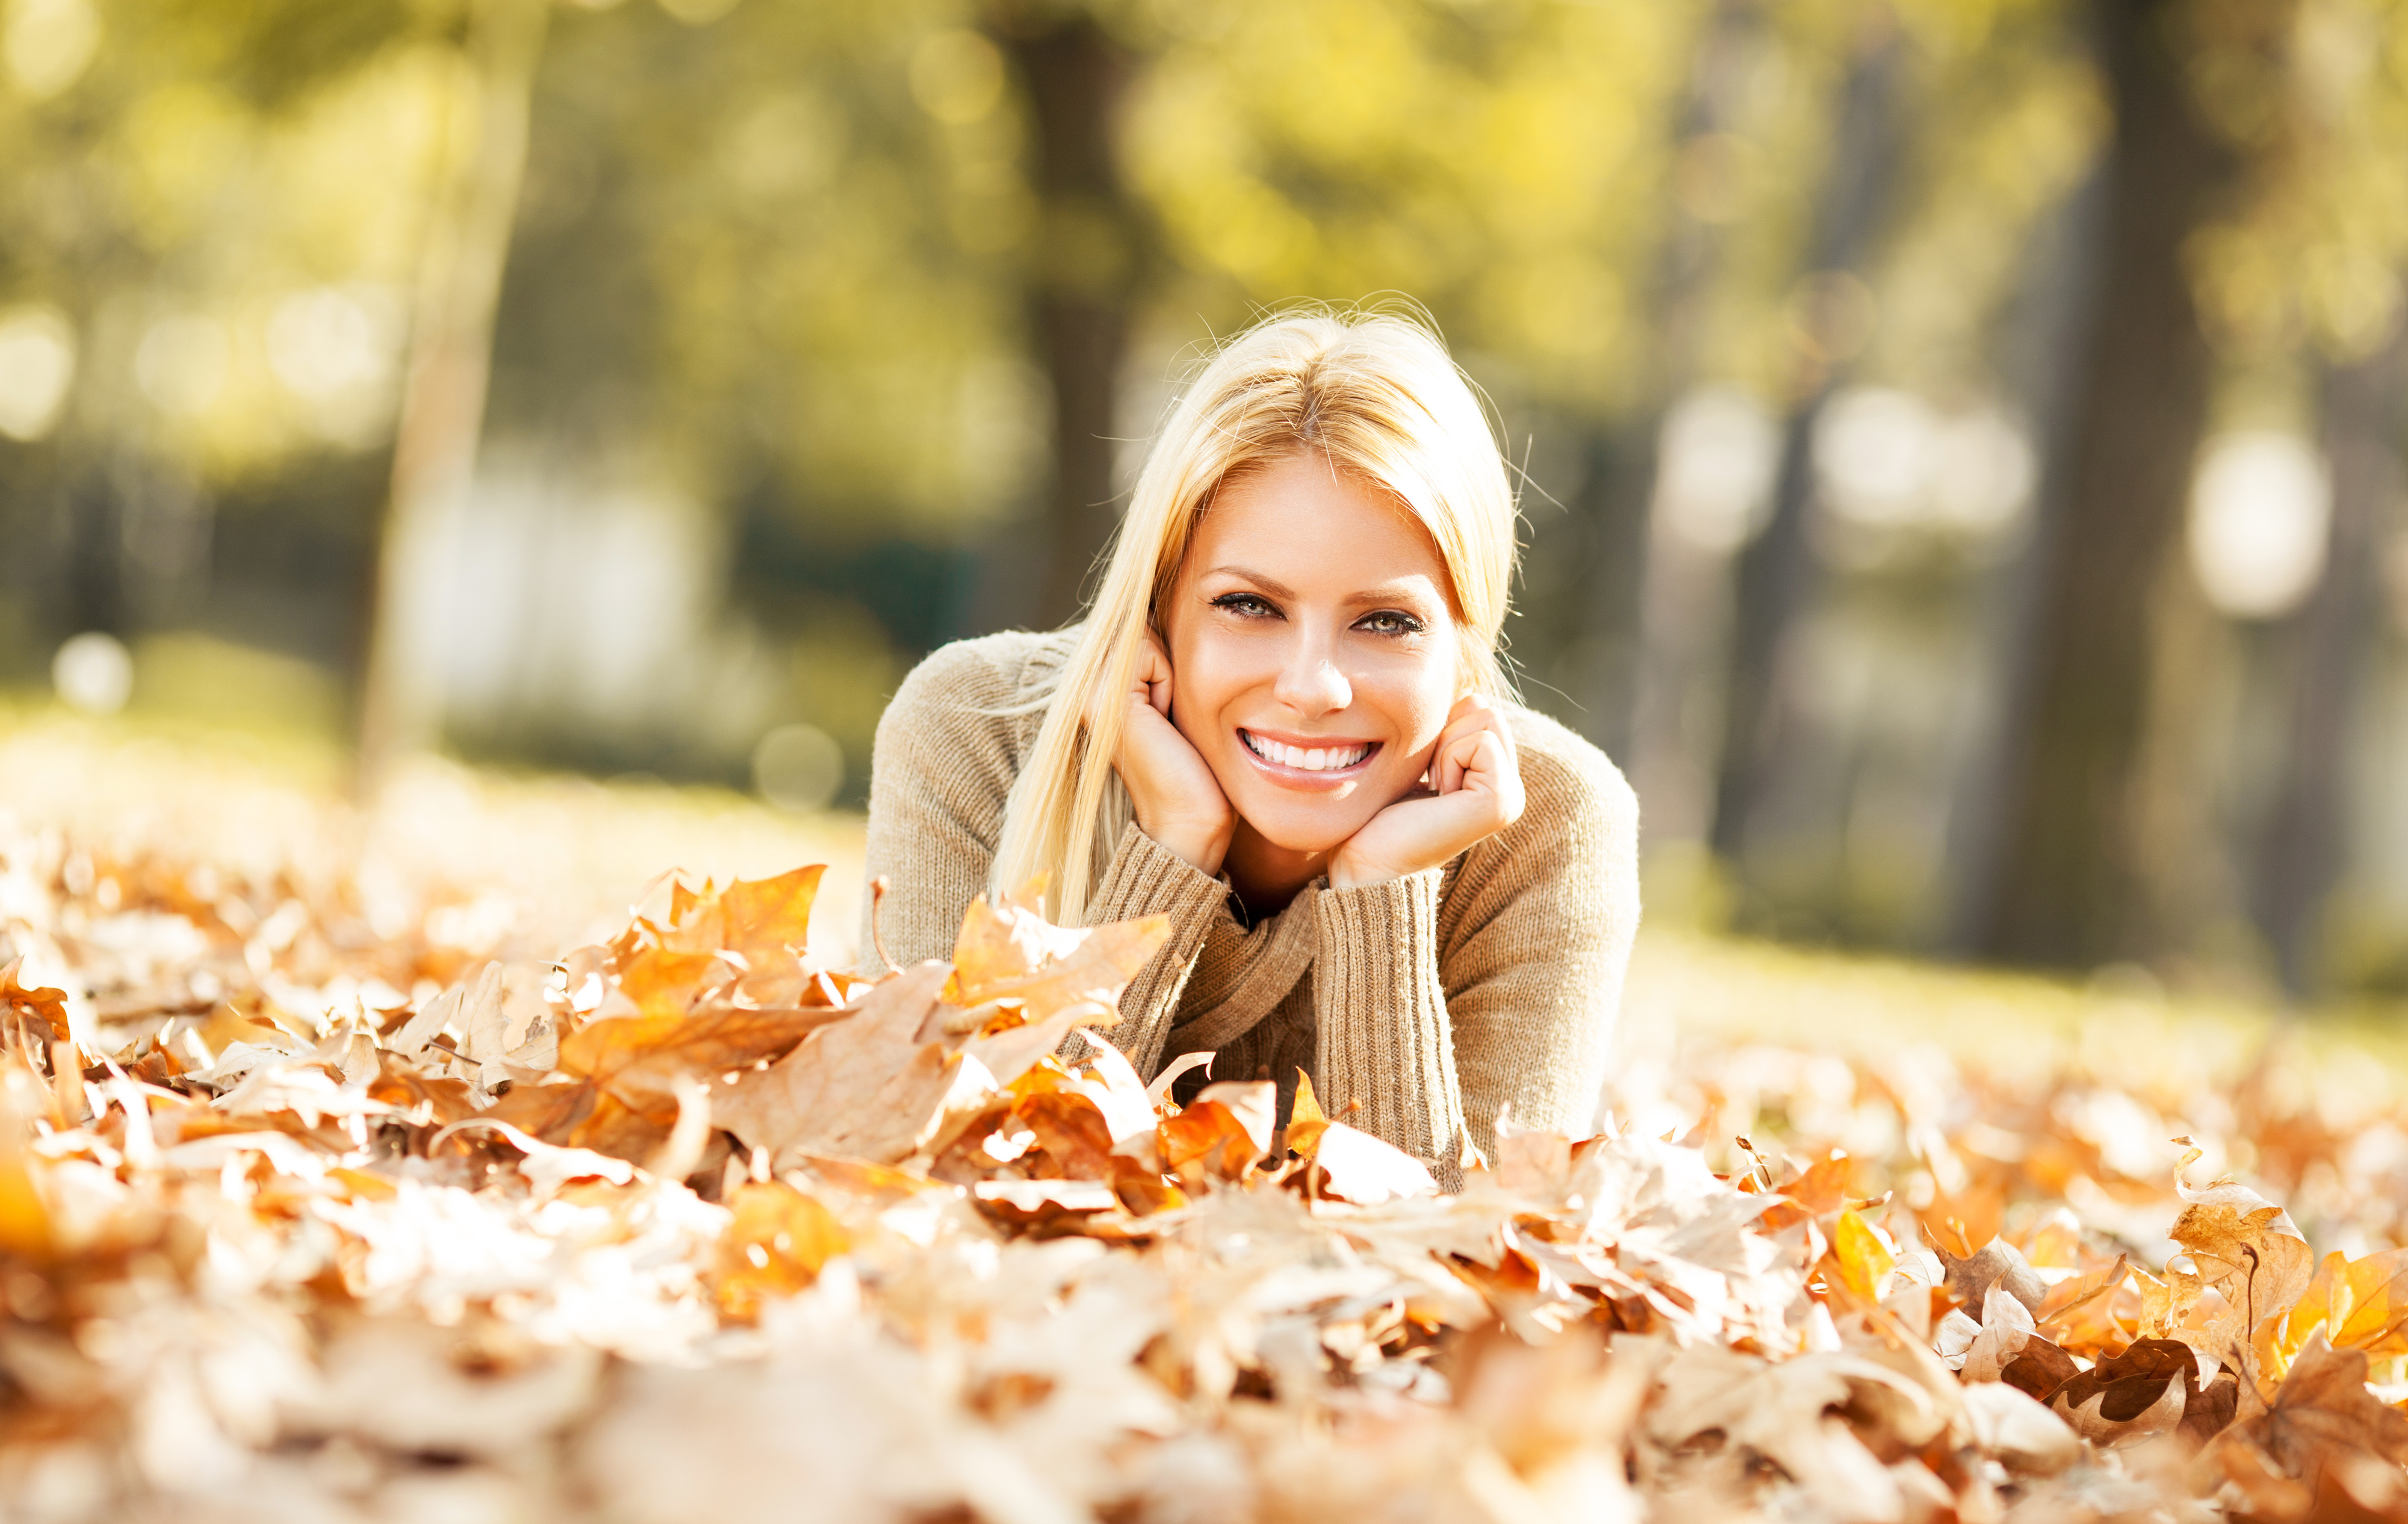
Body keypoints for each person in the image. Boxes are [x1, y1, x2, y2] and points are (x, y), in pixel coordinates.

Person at [860, 306, 1639, 1183]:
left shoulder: (1549, 826)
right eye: (1250, 606)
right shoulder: (977, 733)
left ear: (1465, 647)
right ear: (1157, 610)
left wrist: (1381, 897)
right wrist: (1169, 851)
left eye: (1386, 621)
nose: (1313, 687)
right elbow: (937, 1192)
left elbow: (1464, 1273)